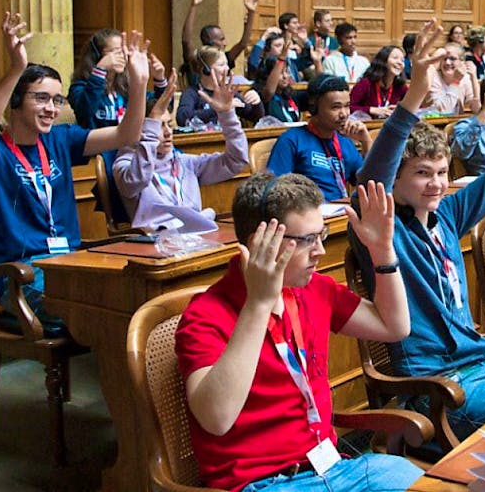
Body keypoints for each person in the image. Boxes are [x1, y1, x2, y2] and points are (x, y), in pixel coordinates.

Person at [350, 19, 485, 440]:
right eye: (423, 174)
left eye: (442, 172)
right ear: (394, 181)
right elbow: (373, 176)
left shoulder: (447, 213)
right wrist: (413, 96)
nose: (437, 184)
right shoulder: (379, 225)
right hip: (440, 386)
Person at [174, 172, 422, 492]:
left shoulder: (313, 289)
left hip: (332, 468)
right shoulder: (204, 316)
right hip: (263, 484)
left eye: (322, 234)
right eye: (307, 240)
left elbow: (395, 327)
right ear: (261, 243)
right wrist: (259, 305)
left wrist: (382, 252)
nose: (319, 250)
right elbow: (217, 418)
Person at [0, 13, 149, 336]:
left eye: (57, 100)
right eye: (41, 98)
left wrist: (140, 85)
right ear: (16, 102)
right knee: (107, 312)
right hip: (21, 274)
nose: (52, 108)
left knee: (139, 301)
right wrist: (16, 69)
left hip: (69, 263)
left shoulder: (61, 138)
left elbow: (127, 135)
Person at [114, 69, 249, 230]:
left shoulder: (183, 162)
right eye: (159, 126)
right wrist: (151, 127)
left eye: (169, 124)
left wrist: (226, 114)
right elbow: (136, 181)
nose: (167, 132)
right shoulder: (125, 163)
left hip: (195, 237)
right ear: (142, 129)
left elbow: (236, 161)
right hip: (156, 241)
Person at [266, 74, 370, 201]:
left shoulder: (345, 143)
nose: (344, 114)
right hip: (308, 215)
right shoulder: (291, 140)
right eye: (336, 107)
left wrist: (366, 141)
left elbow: (369, 185)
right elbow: (274, 191)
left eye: (347, 106)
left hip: (341, 215)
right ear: (314, 108)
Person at [68, 28, 169, 129]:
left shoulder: (126, 87)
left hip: (128, 143)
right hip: (97, 143)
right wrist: (100, 70)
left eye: (123, 51)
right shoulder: (79, 87)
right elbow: (84, 112)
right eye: (115, 52)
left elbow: (163, 108)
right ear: (97, 56)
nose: (122, 56)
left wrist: (159, 79)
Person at [180, 0, 258, 85]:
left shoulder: (225, 58)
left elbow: (243, 44)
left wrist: (251, 12)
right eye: (221, 39)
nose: (225, 43)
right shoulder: (198, 60)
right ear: (209, 41)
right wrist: (193, 6)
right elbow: (186, 40)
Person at [176, 46, 265, 128]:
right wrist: (219, 109)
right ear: (205, 70)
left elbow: (255, 117)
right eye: (221, 65)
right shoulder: (192, 93)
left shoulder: (227, 92)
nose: (227, 69)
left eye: (226, 64)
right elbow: (182, 118)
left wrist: (257, 102)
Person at [349, 46, 407, 118]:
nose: (400, 63)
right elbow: (348, 108)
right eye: (395, 58)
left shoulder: (400, 87)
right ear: (384, 61)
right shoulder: (365, 84)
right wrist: (372, 110)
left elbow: (412, 107)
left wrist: (399, 110)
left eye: (402, 60)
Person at [428, 43, 480, 114]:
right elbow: (443, 111)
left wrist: (474, 78)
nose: (447, 62)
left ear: (462, 62)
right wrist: (455, 82)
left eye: (452, 59)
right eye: (444, 58)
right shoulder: (433, 77)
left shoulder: (465, 78)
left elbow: (476, 109)